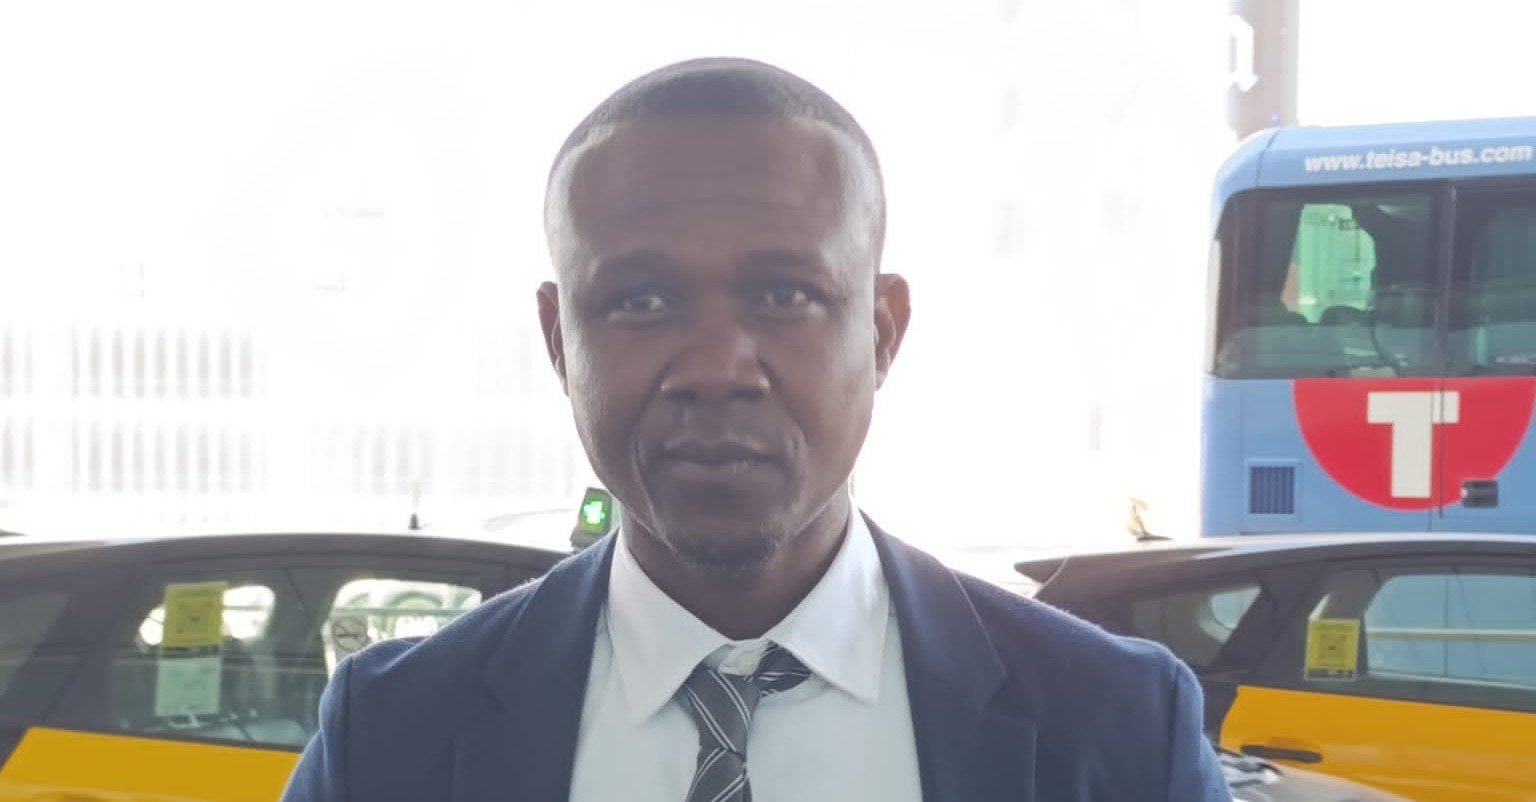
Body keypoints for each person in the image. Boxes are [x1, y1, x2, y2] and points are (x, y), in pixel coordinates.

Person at [282, 57, 1228, 801]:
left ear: (882, 331)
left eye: (784, 295)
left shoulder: (1116, 725)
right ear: (558, 340)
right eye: (640, 299)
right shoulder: (392, 734)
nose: (715, 368)